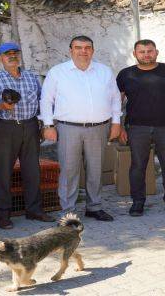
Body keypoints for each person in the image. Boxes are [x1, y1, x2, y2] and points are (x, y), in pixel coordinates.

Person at [40, 35, 122, 221]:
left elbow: (115, 99)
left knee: (95, 169)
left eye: (87, 47)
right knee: (69, 171)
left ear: (92, 50)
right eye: (78, 47)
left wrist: (116, 123)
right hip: (68, 129)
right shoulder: (57, 72)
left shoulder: (104, 71)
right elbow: (46, 100)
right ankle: (68, 212)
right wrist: (48, 125)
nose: (83, 51)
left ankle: (94, 207)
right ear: (71, 50)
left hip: (98, 128)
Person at [0, 42, 56, 229]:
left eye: (15, 53)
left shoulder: (31, 76)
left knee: (32, 170)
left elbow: (41, 101)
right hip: (4, 128)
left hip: (30, 126)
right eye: (7, 54)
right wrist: (0, 106)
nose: (12, 56)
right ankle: (3, 215)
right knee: (3, 172)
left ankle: (34, 210)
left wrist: (45, 123)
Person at [116, 39, 165, 217]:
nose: (146, 54)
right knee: (137, 166)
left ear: (156, 52)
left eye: (150, 51)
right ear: (134, 54)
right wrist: (119, 127)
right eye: (141, 51)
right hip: (136, 127)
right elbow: (115, 103)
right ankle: (137, 202)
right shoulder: (126, 74)